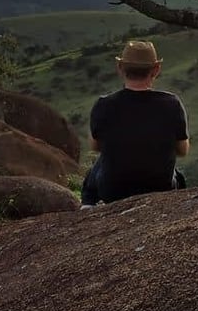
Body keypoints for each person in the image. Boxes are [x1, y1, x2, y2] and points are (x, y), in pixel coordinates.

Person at [80, 40, 190, 207]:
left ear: (120, 68)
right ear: (156, 70)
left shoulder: (104, 104)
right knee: (178, 176)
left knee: (97, 166)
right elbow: (182, 150)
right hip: (160, 188)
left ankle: (87, 206)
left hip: (113, 191)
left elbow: (96, 146)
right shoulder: (172, 103)